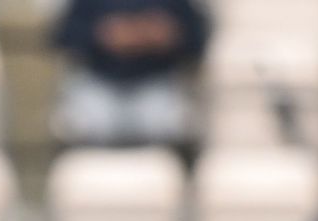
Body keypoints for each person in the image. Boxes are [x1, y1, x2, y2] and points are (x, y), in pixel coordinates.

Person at [52, 0, 209, 148]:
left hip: (155, 84)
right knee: (82, 124)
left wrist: (169, 35)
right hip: (100, 83)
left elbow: (197, 38)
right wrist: (104, 34)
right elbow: (63, 36)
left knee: (170, 123)